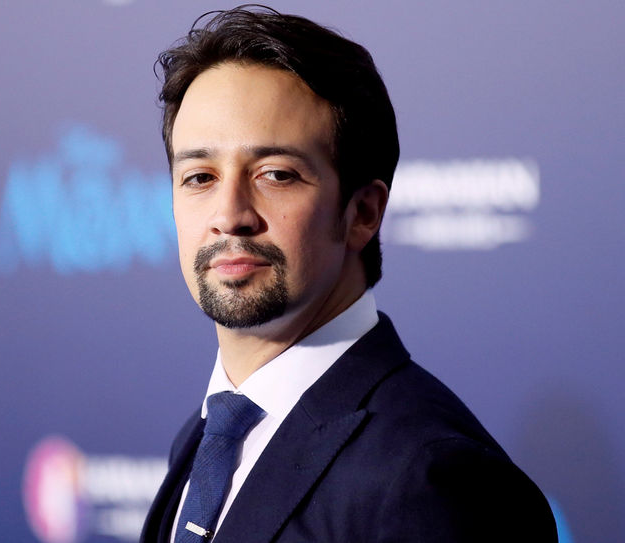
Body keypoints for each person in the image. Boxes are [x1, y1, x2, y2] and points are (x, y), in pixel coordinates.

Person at [142, 6, 557, 543]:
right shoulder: (209, 437)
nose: (229, 214)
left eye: (276, 174)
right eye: (199, 176)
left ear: (362, 212)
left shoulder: (432, 479)